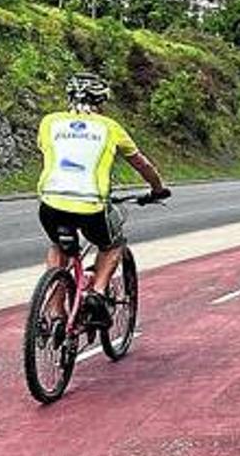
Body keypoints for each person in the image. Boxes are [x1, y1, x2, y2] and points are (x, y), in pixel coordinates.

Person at [37, 73, 169, 326]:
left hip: (51, 202)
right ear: (102, 101)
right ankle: (97, 291)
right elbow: (142, 164)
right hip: (91, 204)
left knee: (58, 245)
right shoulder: (110, 127)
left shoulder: (49, 122)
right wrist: (157, 188)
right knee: (113, 244)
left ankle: (56, 311)